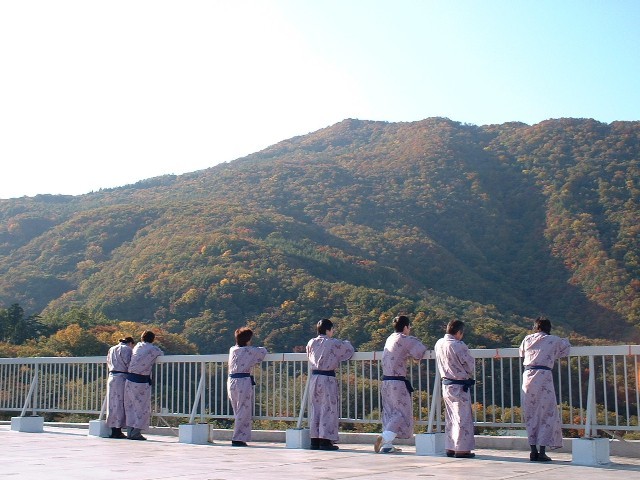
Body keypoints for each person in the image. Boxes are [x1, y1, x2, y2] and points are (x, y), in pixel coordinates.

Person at [520, 317, 571, 462]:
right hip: (543, 377)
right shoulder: (554, 339)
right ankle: (542, 450)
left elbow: (522, 353)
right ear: (549, 328)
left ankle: (532, 450)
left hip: (528, 376)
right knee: (547, 413)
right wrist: (566, 339)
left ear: (536, 327)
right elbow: (565, 349)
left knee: (530, 413)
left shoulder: (527, 339)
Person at [375, 315, 427, 454]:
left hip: (386, 380)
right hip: (397, 381)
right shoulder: (405, 339)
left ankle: (387, 445)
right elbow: (420, 351)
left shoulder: (390, 338)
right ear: (406, 327)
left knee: (389, 411)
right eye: (409, 327)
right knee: (401, 412)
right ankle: (385, 437)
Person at [306, 318, 355, 451]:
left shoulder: (311, 342)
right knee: (328, 408)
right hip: (327, 378)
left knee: (315, 408)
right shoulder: (332, 343)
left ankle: (314, 439)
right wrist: (347, 342)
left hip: (314, 378)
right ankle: (325, 440)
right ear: (328, 330)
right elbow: (348, 351)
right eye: (332, 330)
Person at [434, 320, 476, 458]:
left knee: (450, 416)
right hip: (459, 385)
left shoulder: (439, 343)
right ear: (458, 332)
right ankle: (462, 449)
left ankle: (450, 447)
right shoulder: (458, 345)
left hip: (446, 384)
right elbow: (469, 365)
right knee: (462, 417)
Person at [227, 327, 268, 447]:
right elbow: (263, 352)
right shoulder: (249, 351)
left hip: (231, 380)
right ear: (248, 340)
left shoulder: (233, 350)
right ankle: (238, 438)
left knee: (237, 409)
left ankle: (239, 436)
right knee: (243, 410)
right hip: (243, 381)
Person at [124, 330, 164, 440]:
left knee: (130, 406)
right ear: (153, 339)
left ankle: (129, 432)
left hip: (129, 379)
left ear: (142, 338)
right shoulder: (153, 349)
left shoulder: (137, 347)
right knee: (142, 407)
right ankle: (136, 432)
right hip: (141, 381)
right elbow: (161, 354)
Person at [106, 336, 135, 439]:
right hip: (122, 377)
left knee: (112, 404)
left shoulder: (112, 348)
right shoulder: (127, 349)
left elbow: (108, 362)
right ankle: (118, 429)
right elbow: (129, 363)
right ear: (131, 343)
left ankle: (114, 429)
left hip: (112, 376)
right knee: (121, 404)